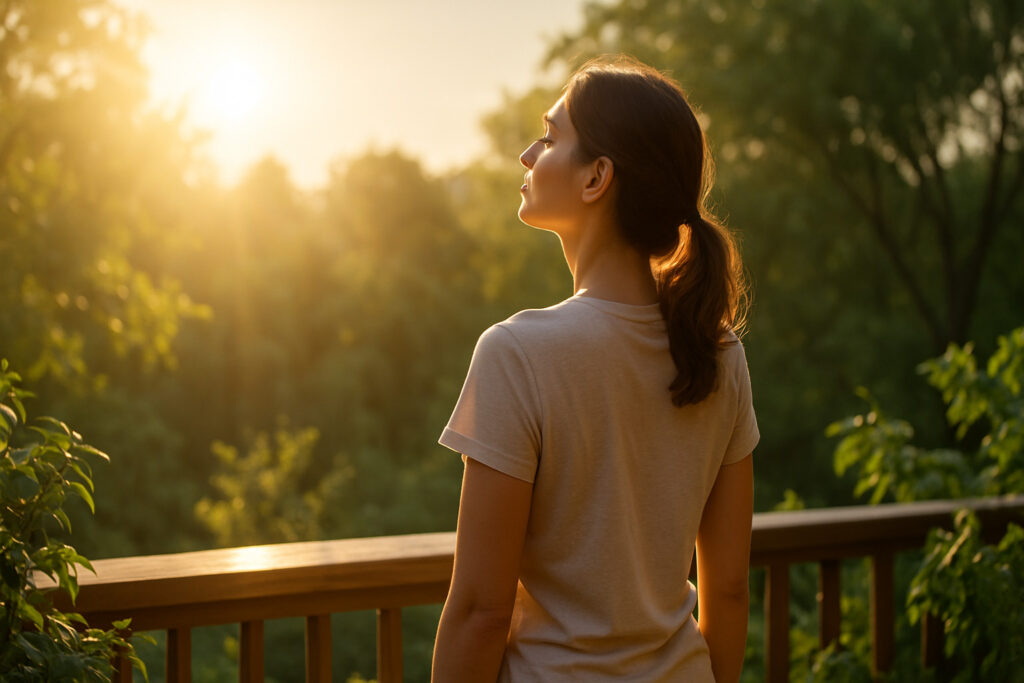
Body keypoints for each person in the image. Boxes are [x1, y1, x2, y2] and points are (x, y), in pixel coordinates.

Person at [431, 55, 758, 682]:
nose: (529, 154)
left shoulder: (516, 353)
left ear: (596, 178)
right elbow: (732, 589)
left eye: (551, 138)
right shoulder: (720, 355)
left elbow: (479, 610)